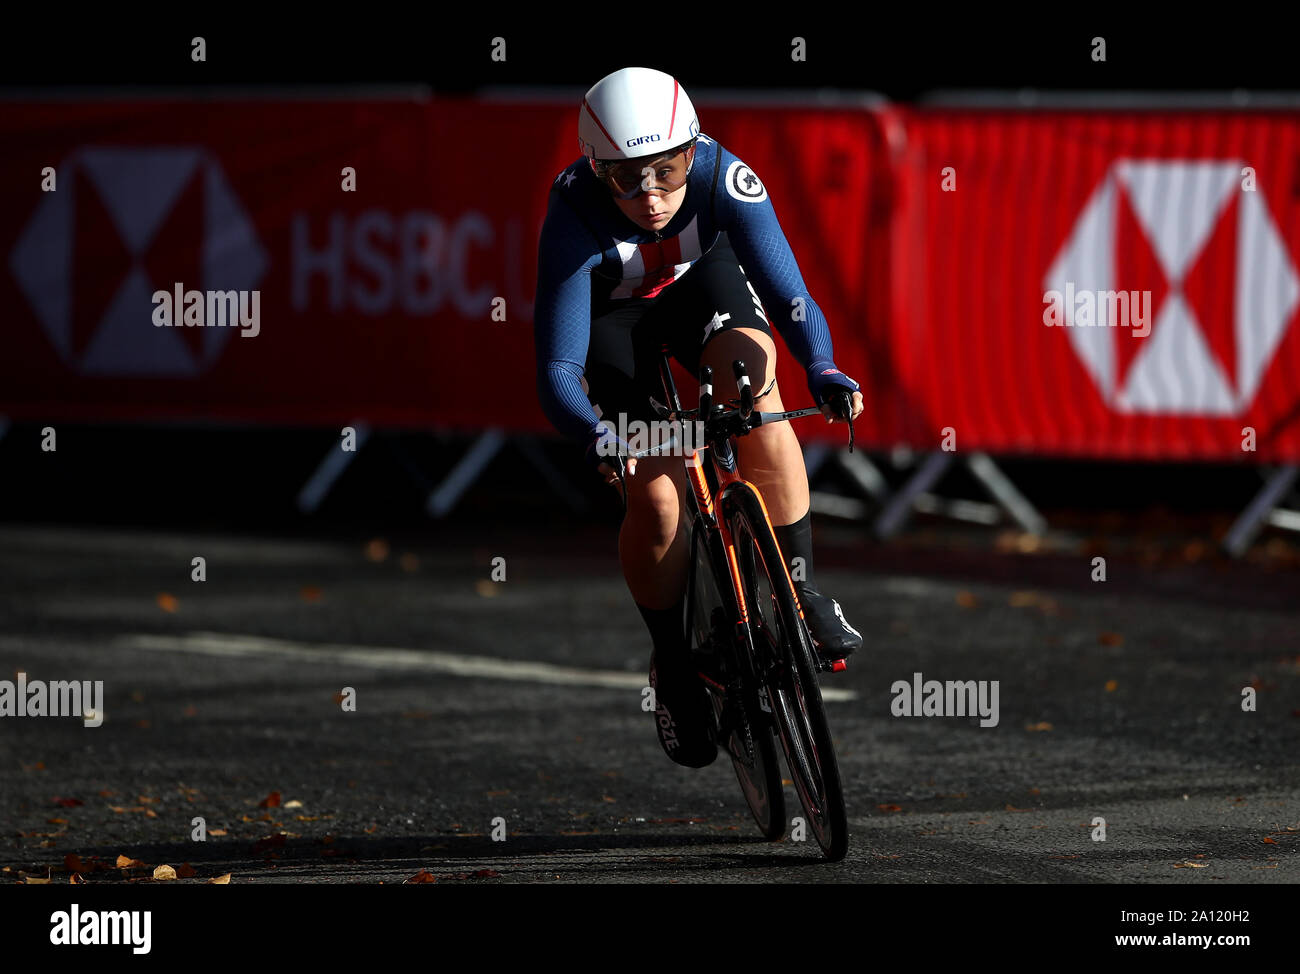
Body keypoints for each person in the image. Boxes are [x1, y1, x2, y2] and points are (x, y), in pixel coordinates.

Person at [534, 67, 864, 769]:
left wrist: (824, 366)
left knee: (756, 388)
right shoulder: (571, 215)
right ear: (596, 169)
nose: (650, 195)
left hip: (696, 288)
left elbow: (792, 298)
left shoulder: (724, 177)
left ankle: (797, 590)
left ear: (694, 148)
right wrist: (600, 434)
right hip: (611, 319)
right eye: (626, 178)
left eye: (668, 168)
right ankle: (672, 664)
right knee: (656, 498)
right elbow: (559, 370)